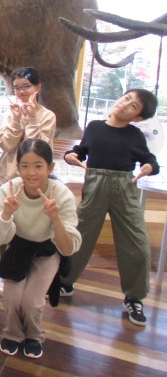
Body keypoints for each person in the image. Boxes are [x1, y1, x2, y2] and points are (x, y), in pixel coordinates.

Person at [61, 88, 159, 327]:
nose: (125, 104)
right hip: (95, 185)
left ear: (138, 117)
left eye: (133, 106)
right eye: (127, 98)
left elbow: (149, 160)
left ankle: (134, 297)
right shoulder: (94, 127)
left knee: (136, 242)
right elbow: (80, 152)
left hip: (125, 188)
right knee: (80, 235)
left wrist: (149, 167)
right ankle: (64, 282)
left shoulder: (135, 135)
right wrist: (70, 156)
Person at [0, 139, 81, 358]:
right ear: (18, 167)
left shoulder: (61, 194)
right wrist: (6, 214)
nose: (31, 173)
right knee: (11, 296)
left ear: (50, 167)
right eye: (25, 166)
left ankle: (34, 335)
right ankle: (13, 334)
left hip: (47, 249)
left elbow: (68, 248)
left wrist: (55, 218)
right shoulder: (9, 190)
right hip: (18, 246)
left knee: (32, 301)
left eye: (38, 166)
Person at [0, 66, 56, 295]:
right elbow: (6, 144)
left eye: (26, 86)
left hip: (33, 181)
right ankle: (6, 273)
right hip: (7, 177)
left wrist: (29, 119)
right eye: (17, 87)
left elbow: (38, 149)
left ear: (37, 87)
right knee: (6, 225)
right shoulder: (12, 112)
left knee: (31, 228)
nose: (21, 91)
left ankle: (28, 273)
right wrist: (17, 120)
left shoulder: (47, 116)